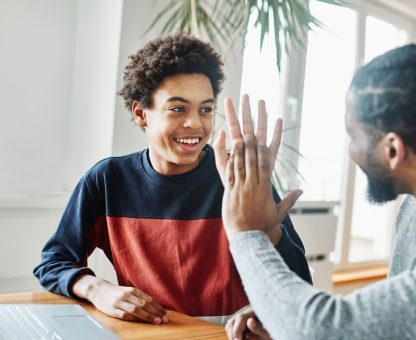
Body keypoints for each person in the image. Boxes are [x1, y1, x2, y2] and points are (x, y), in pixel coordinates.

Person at [33, 32, 311, 326]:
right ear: (141, 114)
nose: (195, 123)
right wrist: (97, 289)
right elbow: (53, 261)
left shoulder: (239, 180)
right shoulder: (107, 181)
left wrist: (269, 233)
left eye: (206, 109)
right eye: (178, 109)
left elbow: (300, 283)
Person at [214, 44, 416, 339]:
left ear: (393, 149)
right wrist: (285, 312)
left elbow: (320, 329)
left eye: (352, 135)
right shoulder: (411, 206)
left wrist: (245, 233)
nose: (351, 150)